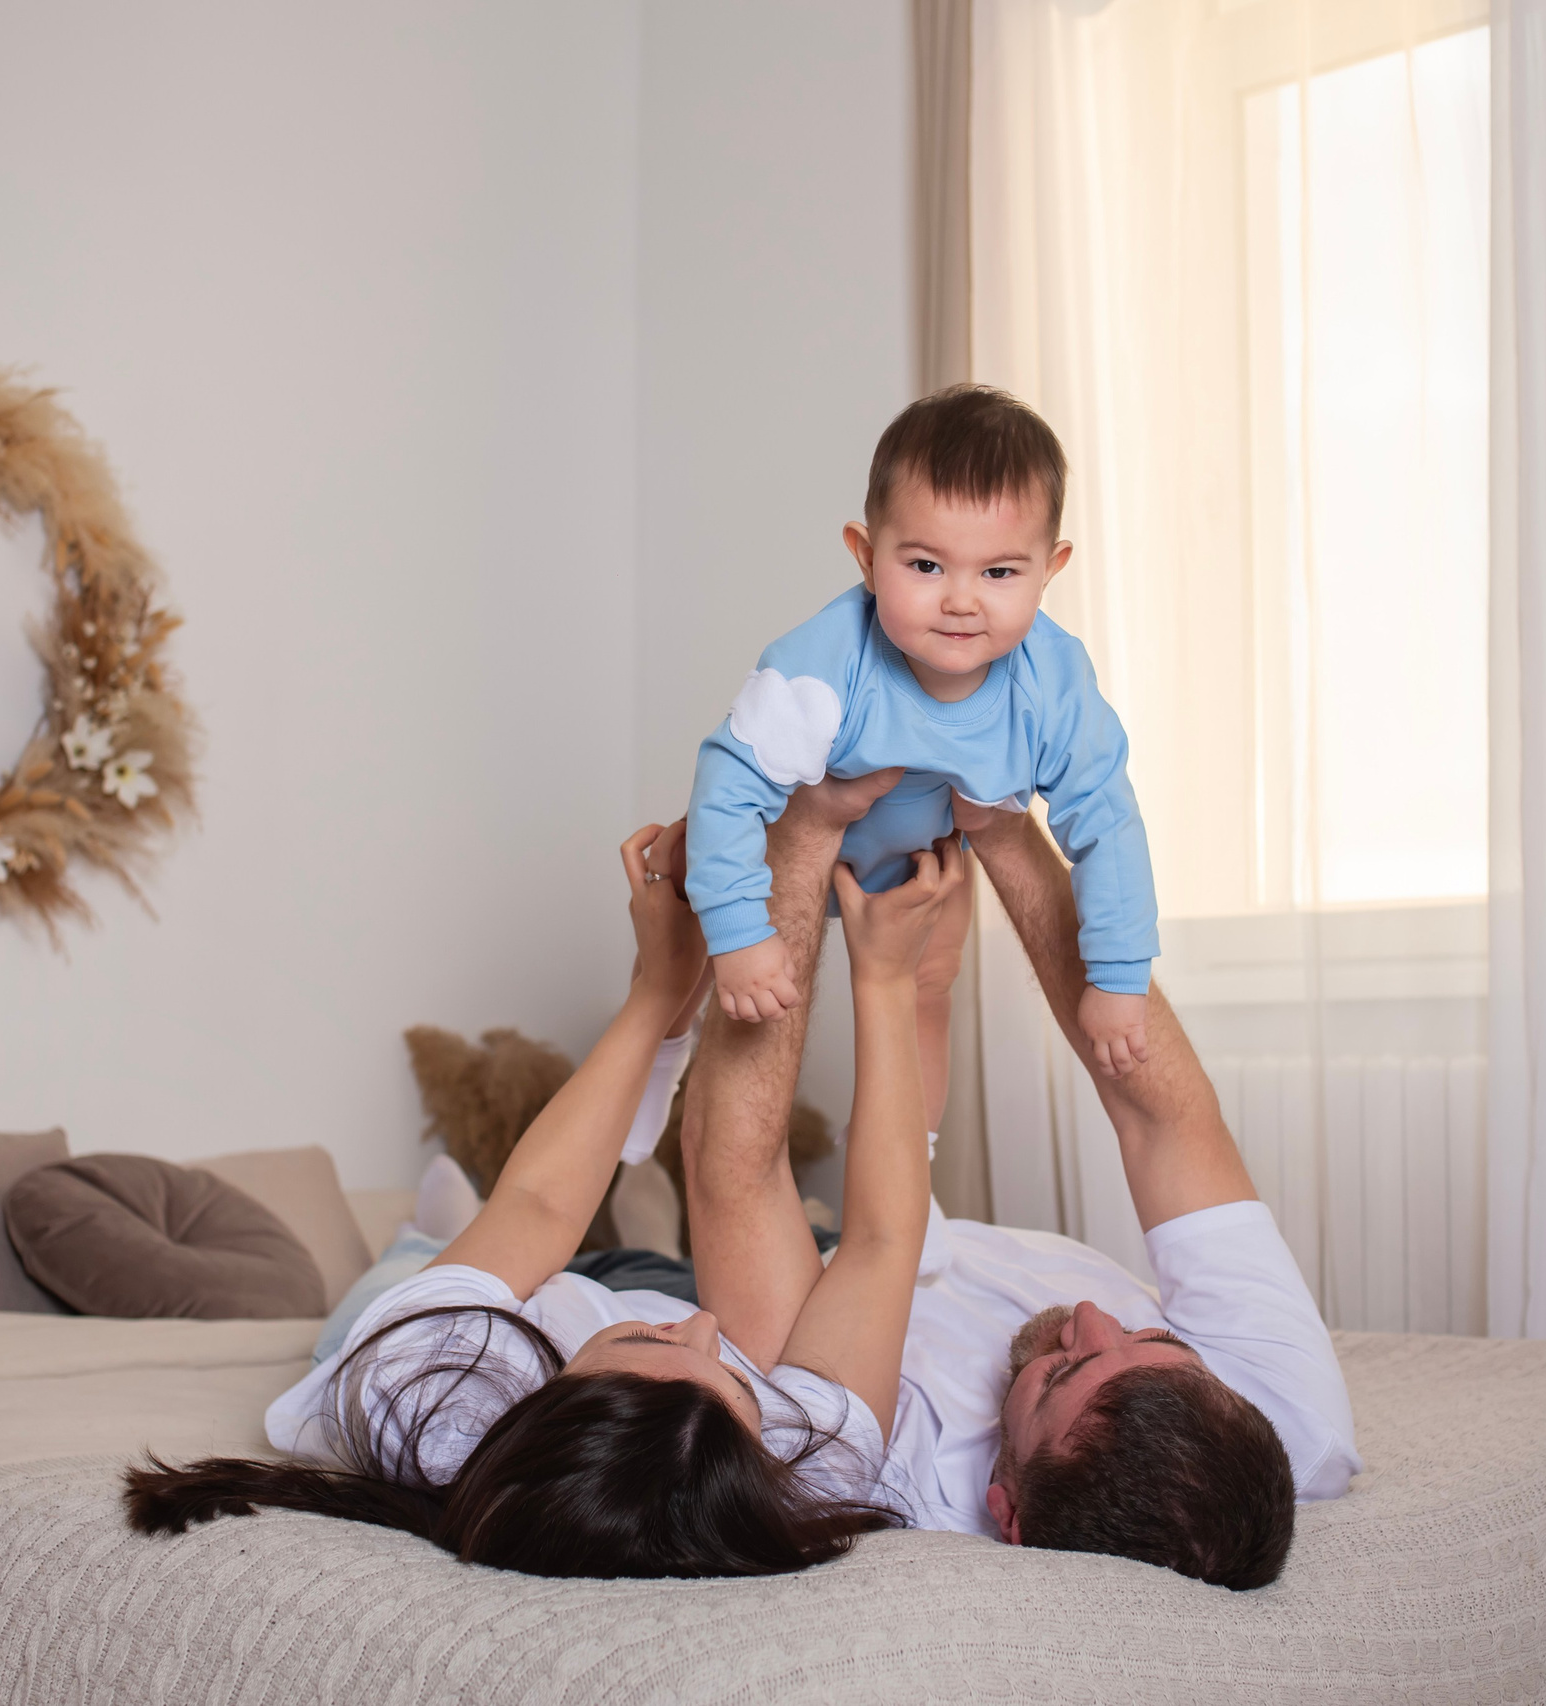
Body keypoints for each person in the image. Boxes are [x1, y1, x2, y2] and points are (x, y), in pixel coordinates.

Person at [123, 815, 971, 1580]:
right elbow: (880, 1246)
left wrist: (658, 989)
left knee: (443, 1261)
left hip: (449, 1319)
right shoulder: (806, 1467)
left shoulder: (424, 1384)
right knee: (684, 1288)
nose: (711, 1329)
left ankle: (426, 1241)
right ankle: (533, 1265)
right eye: (740, 1386)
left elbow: (534, 1204)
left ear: (542, 1394)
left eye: (656, 1342)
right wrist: (890, 984)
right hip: (608, 1299)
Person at [678, 785, 1360, 1592]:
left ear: (1007, 1512)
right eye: (1155, 1343)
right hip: (899, 1228)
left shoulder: (870, 1471)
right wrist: (1000, 820)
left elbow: (734, 1172)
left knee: (645, 1262)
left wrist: (799, 845)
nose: (1096, 1319)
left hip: (795, 1288)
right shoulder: (1292, 1417)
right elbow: (1166, 1120)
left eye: (1061, 1373)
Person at [684, 385, 1158, 1081]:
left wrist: (1119, 975)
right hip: (781, 854)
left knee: (929, 992)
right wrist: (735, 931)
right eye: (926, 566)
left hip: (915, 863)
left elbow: (1106, 819)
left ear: (1049, 571)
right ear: (866, 556)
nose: (962, 599)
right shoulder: (823, 663)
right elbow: (727, 785)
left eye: (999, 572)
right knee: (695, 953)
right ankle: (662, 1044)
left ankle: (914, 1163)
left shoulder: (1053, 685)